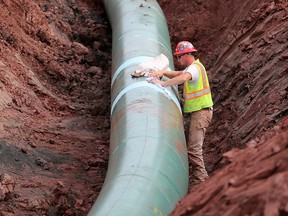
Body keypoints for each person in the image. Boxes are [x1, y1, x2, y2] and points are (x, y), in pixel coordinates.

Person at [148, 41, 213, 185]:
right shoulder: (193, 67)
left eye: (179, 57)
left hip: (201, 113)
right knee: (192, 147)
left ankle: (202, 182)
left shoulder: (194, 69)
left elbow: (183, 78)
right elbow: (178, 74)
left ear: (188, 54)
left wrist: (162, 84)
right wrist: (163, 72)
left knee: (194, 149)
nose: (178, 60)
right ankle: (200, 179)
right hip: (197, 112)